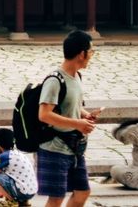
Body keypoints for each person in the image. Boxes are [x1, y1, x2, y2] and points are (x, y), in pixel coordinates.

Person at [36, 30, 99, 207]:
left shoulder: (77, 76)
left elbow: (71, 107)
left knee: (82, 192)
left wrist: (86, 115)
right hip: (55, 147)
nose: (91, 56)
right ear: (81, 54)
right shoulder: (55, 80)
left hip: (74, 149)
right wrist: (78, 123)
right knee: (56, 198)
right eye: (91, 52)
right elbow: (44, 115)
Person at [0, 128, 37, 207]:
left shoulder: (4, 156)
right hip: (31, 192)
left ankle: (12, 201)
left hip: (22, 192)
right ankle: (23, 201)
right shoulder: (16, 153)